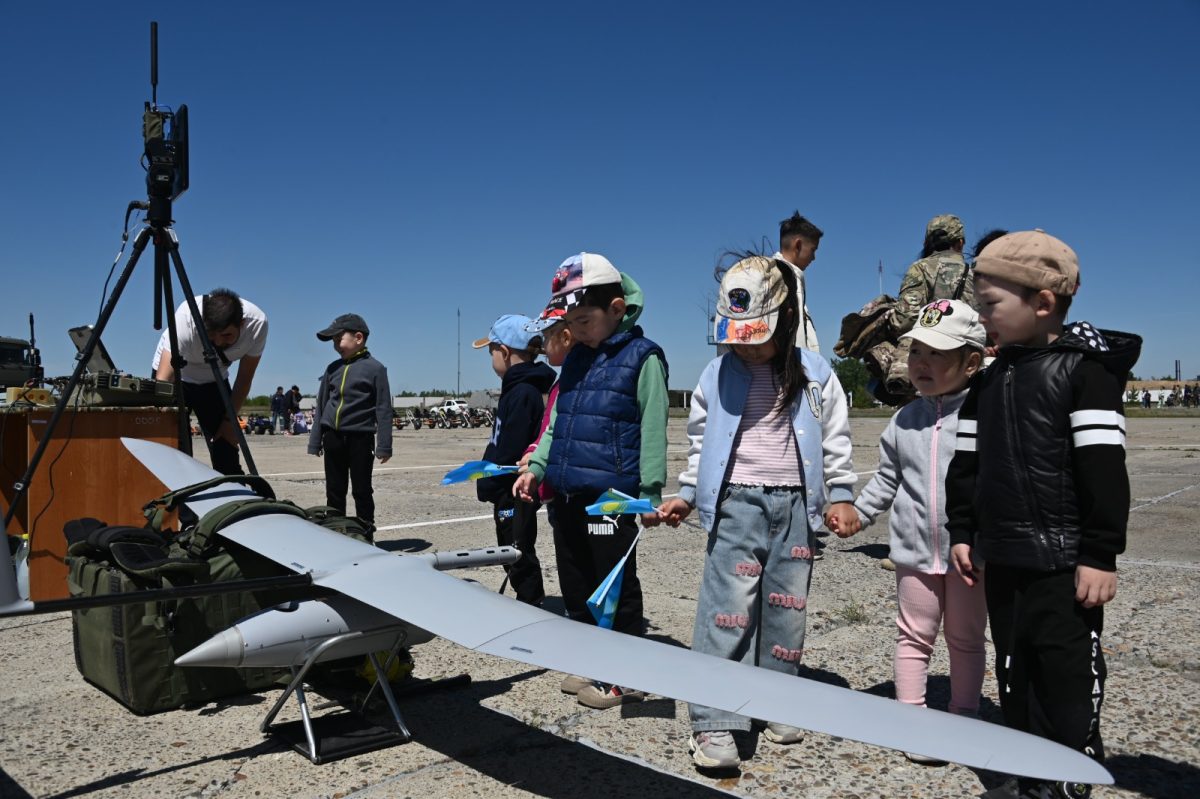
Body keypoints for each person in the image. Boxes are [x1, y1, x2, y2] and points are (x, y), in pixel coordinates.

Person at [946, 231, 1142, 799]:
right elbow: (967, 464)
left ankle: (1068, 773)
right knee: (1014, 670)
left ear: (1042, 302)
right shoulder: (988, 379)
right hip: (1004, 555)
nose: (981, 315)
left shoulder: (1086, 373)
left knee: (1066, 673)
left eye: (990, 304)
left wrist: (1099, 553)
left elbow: (1104, 470)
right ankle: (1023, 768)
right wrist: (964, 530)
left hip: (1063, 564)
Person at [656, 255, 859, 770]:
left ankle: (776, 697)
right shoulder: (716, 373)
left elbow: (835, 437)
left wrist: (840, 493)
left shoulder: (815, 374)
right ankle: (714, 721)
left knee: (786, 611)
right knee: (727, 612)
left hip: (796, 507)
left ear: (787, 320)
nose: (743, 345)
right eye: (734, 335)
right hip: (736, 504)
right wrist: (685, 491)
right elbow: (700, 443)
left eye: (756, 335)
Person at [513, 252, 669, 710]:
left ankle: (625, 675)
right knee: (577, 581)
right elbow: (557, 419)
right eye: (571, 323)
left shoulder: (644, 358)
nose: (576, 331)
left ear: (617, 309)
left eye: (584, 321)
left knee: (613, 586)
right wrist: (537, 467)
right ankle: (588, 660)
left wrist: (649, 494)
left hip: (612, 497)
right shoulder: (578, 359)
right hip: (567, 491)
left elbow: (654, 426)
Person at [837, 299, 988, 766]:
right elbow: (887, 479)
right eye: (916, 351)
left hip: (971, 557)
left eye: (936, 353)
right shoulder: (904, 420)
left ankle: (964, 716)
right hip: (913, 553)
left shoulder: (986, 416)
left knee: (965, 638)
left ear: (972, 362)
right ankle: (912, 719)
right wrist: (860, 513)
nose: (921, 363)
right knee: (913, 635)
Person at [472, 314, 556, 606]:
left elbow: (511, 446)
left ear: (505, 353)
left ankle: (531, 602)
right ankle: (528, 597)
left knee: (517, 548)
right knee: (511, 544)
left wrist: (492, 482)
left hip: (513, 486)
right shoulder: (518, 388)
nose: (492, 359)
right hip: (507, 486)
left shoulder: (522, 392)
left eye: (492, 352)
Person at [152, 288, 267, 475]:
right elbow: (164, 379)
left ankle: (233, 497)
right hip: (178, 377)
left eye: (227, 335)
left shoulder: (257, 324)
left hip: (214, 379)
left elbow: (245, 378)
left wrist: (230, 421)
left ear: (242, 323)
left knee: (226, 449)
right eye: (212, 335)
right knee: (176, 448)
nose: (219, 342)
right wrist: (163, 419)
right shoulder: (186, 317)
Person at [878, 215, 974, 404]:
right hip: (966, 364)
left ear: (927, 242)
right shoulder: (975, 272)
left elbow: (905, 319)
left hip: (927, 367)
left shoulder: (920, 268)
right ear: (960, 243)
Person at [308, 313, 392, 528]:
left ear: (358, 338)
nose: (336, 345)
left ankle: (365, 530)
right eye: (333, 341)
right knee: (334, 488)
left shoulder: (376, 369)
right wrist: (315, 441)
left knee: (361, 489)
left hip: (360, 438)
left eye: (338, 339)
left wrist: (384, 445)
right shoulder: (332, 369)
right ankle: (336, 531)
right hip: (332, 437)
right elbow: (322, 405)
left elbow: (383, 409)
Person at [772, 211, 824, 352]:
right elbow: (797, 337)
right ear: (798, 245)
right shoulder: (786, 278)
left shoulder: (772, 273)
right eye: (813, 250)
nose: (813, 257)